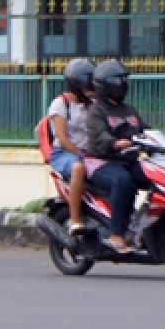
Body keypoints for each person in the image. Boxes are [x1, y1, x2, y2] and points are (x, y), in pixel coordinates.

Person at [84, 59, 151, 254]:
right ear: (106, 85)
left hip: (128, 160)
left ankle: (145, 224)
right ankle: (116, 234)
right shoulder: (95, 111)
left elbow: (145, 130)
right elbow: (99, 136)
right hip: (101, 162)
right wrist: (114, 143)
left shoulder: (128, 110)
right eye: (118, 80)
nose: (123, 84)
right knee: (123, 181)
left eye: (124, 80)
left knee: (157, 177)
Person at [46, 57, 95, 232]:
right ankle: (75, 219)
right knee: (78, 168)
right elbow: (63, 139)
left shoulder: (92, 104)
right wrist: (82, 155)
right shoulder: (60, 104)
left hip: (89, 152)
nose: (91, 88)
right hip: (64, 153)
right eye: (88, 84)